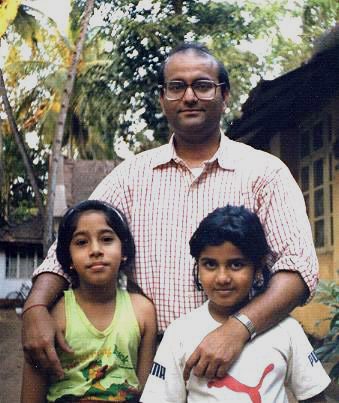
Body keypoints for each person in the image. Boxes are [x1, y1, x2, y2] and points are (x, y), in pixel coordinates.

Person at [22, 42, 318, 381]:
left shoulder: (265, 174)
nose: (189, 96)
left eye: (203, 85)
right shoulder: (131, 176)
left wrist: (237, 329)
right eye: (177, 87)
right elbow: (67, 249)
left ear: (224, 95)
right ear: (163, 99)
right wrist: (34, 307)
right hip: (151, 359)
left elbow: (298, 268)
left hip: (242, 358)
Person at [141, 205, 330, 403]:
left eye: (236, 264)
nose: (222, 278)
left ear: (257, 268)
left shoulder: (286, 329)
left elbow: (314, 397)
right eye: (210, 264)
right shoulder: (180, 333)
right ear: (198, 267)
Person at [21, 200, 157, 403]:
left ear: (124, 252)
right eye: (82, 242)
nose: (95, 250)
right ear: (68, 258)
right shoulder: (55, 314)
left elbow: (147, 391)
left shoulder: (142, 311)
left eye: (107, 239)